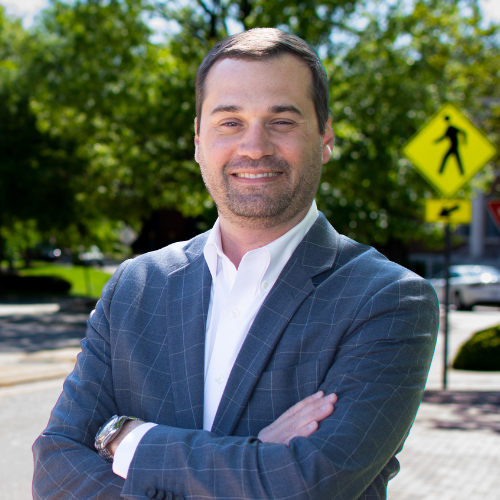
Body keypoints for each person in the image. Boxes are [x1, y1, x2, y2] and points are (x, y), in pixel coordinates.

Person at [33, 28, 439, 500]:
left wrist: (129, 441)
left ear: (325, 136)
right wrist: (256, 457)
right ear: (198, 141)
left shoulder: (389, 300)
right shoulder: (135, 286)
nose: (254, 146)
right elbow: (55, 468)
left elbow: (305, 487)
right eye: (230, 122)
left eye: (281, 121)